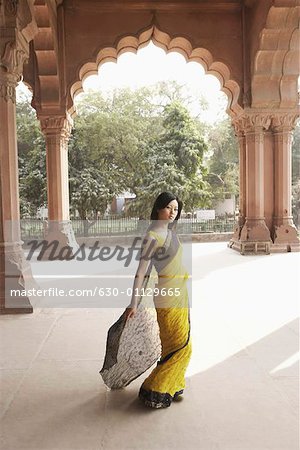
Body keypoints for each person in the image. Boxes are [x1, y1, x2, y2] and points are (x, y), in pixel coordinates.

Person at [124, 191, 192, 409]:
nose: (173, 212)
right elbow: (141, 271)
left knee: (177, 344)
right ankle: (156, 390)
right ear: (158, 209)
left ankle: (172, 383)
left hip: (180, 294)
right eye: (168, 208)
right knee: (181, 346)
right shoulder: (153, 236)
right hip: (167, 297)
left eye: (176, 209)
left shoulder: (170, 232)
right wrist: (133, 303)